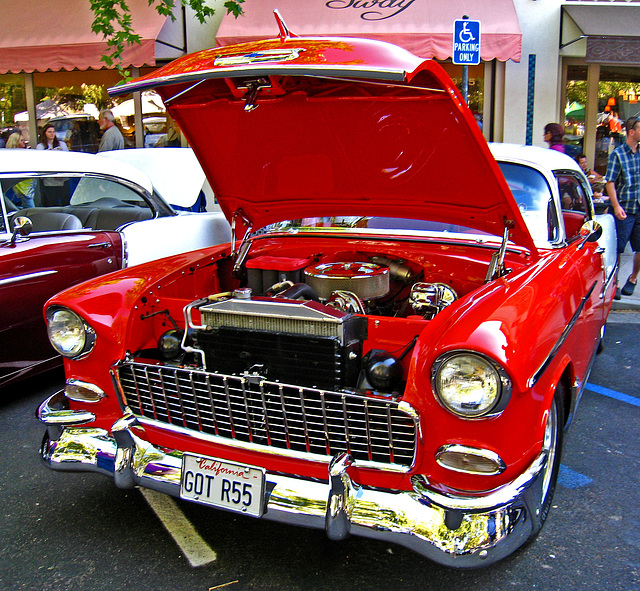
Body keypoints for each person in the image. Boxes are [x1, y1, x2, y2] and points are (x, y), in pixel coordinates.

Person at [605, 116, 640, 299]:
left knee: (639, 247)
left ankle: (633, 279)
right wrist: (616, 206)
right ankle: (615, 282)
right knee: (618, 247)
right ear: (632, 132)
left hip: (639, 207)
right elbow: (610, 182)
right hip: (625, 207)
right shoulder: (617, 154)